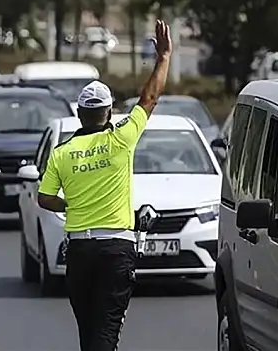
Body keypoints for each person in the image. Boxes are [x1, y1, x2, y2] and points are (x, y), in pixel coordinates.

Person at [37, 20, 172, 351]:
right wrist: (164, 57)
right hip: (116, 250)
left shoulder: (62, 153)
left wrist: (71, 205)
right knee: (106, 332)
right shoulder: (122, 138)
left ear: (80, 114)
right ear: (109, 112)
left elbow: (44, 198)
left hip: (80, 252)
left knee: (89, 333)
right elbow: (150, 97)